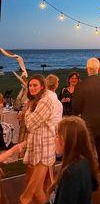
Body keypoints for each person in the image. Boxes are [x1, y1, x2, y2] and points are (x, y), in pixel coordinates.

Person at [72, 58, 100, 197]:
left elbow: (76, 108)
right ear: (97, 69)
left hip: (88, 126)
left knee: (87, 157)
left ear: (87, 69)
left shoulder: (80, 86)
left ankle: (90, 185)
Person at [20, 75, 56, 204]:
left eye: (35, 85)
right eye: (30, 85)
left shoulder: (45, 100)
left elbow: (30, 124)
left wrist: (28, 110)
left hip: (44, 149)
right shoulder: (37, 100)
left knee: (34, 189)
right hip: (37, 145)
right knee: (36, 187)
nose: (32, 88)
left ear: (42, 86)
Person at [49, 116, 99, 204]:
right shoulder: (82, 162)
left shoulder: (72, 172)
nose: (54, 139)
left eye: (57, 136)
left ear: (67, 140)